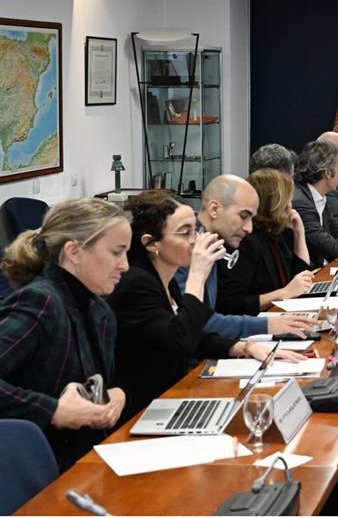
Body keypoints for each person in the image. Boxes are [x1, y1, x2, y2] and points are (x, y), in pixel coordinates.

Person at [110, 191, 301, 424]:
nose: (196, 240)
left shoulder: (165, 279)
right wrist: (197, 275)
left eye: (195, 230)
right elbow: (181, 339)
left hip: (170, 398)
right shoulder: (137, 283)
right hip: (140, 409)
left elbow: (196, 332)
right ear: (151, 243)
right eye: (185, 233)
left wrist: (242, 347)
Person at [0, 199, 128, 470]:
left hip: (87, 459)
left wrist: (117, 393)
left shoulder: (98, 307)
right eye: (116, 252)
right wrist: (52, 410)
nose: (125, 265)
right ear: (74, 252)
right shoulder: (40, 301)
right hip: (41, 468)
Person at [177, 175, 316, 340]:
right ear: (214, 209)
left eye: (251, 218)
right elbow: (197, 322)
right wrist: (267, 325)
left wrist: (241, 347)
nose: (249, 228)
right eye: (243, 216)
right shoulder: (187, 249)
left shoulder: (210, 244)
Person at [217, 168, 316, 315]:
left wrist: (299, 233)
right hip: (255, 322)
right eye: (287, 201)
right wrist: (283, 293)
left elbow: (301, 280)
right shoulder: (246, 241)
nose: (290, 206)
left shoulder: (276, 233)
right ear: (273, 203)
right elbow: (231, 304)